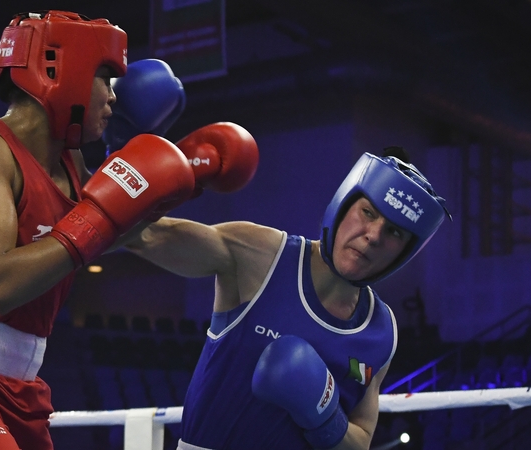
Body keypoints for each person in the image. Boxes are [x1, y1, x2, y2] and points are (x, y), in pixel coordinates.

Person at [0, 10, 206, 450]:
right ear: (66, 73)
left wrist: (180, 186)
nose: (113, 97)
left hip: (23, 388)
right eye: (105, 79)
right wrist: (103, 215)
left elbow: (109, 237)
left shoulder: (70, 165)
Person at [123, 147, 450, 449]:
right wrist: (139, 180)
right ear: (344, 203)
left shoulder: (381, 331)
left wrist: (323, 416)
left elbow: (361, 440)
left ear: (405, 252)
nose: (374, 235)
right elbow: (144, 237)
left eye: (394, 232)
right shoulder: (263, 255)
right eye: (368, 212)